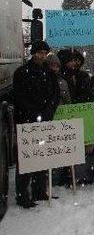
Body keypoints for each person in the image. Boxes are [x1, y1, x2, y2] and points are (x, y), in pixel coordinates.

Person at [13, 40, 60, 208]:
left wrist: (49, 110)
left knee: (42, 157)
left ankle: (39, 190)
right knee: (26, 159)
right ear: (33, 53)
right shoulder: (22, 72)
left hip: (45, 120)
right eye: (39, 52)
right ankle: (22, 195)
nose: (41, 56)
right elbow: (18, 97)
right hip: (27, 121)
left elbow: (56, 95)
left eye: (44, 53)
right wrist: (33, 112)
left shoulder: (49, 73)